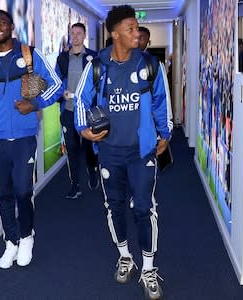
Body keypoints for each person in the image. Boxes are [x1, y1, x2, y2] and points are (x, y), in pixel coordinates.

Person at [74, 5, 172, 300]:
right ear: (115, 33)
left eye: (137, 29)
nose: (137, 33)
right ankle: (125, 256)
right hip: (109, 153)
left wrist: (164, 134)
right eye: (130, 28)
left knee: (144, 208)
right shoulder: (97, 66)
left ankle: (149, 269)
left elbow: (161, 101)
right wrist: (83, 129)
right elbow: (81, 100)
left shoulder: (150, 64)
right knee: (114, 206)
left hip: (141, 152)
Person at [0, 9, 62, 269]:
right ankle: (10, 242)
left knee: (23, 191)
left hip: (24, 139)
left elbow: (55, 85)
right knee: (3, 194)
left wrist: (35, 104)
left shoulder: (29, 54)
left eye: (2, 22)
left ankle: (26, 238)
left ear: (11, 26)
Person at [55, 22, 99, 199]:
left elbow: (99, 82)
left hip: (88, 112)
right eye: (72, 33)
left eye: (79, 33)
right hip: (69, 110)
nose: (75, 36)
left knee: (89, 147)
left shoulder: (94, 57)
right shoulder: (62, 58)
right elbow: (56, 82)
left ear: (84, 35)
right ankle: (75, 185)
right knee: (72, 149)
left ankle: (93, 169)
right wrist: (61, 94)